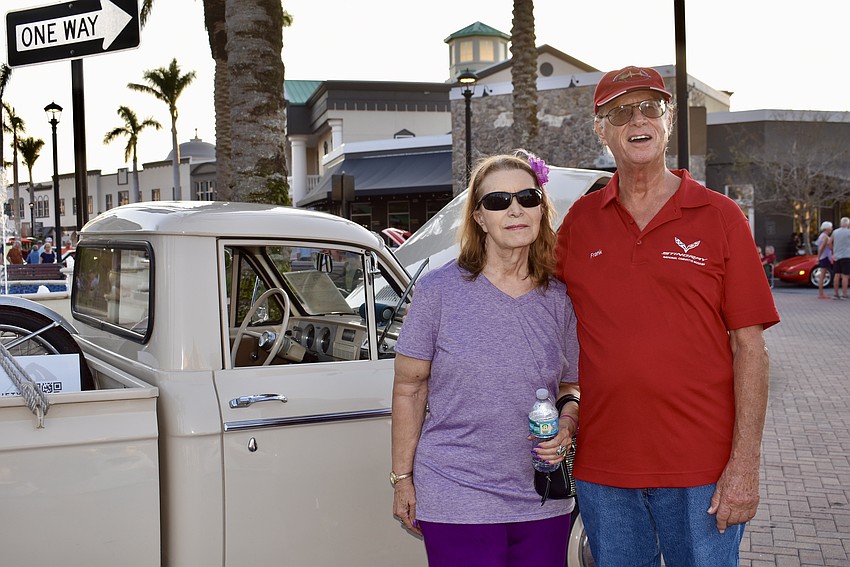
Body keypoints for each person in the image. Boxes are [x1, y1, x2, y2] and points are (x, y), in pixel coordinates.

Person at [555, 66, 779, 567]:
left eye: (650, 107)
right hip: (605, 470)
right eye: (620, 111)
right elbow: (534, 307)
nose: (638, 119)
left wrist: (744, 465)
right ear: (601, 129)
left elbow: (751, 349)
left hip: (701, 470)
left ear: (668, 120)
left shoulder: (721, 217)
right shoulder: (580, 223)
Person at [391, 152, 581, 566]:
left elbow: (570, 386)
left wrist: (567, 424)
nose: (515, 210)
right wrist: (403, 479)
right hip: (456, 491)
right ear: (479, 218)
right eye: (498, 201)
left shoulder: (560, 299)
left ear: (541, 208)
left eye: (527, 198)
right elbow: (409, 388)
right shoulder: (438, 292)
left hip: (542, 496)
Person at [830, 217, 850, 299]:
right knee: (845, 276)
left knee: (837, 275)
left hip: (837, 256)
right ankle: (844, 294)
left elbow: (829, 242)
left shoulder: (835, 232)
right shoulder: (849, 232)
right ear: (848, 224)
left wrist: (833, 250)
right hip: (846, 256)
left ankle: (835, 294)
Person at [815, 221, 834, 299]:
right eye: (830, 227)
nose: (831, 229)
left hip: (824, 257)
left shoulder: (822, 236)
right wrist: (818, 257)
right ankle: (821, 293)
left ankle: (821, 293)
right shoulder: (825, 237)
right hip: (825, 257)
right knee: (822, 275)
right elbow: (822, 247)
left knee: (823, 275)